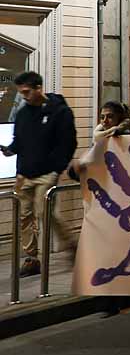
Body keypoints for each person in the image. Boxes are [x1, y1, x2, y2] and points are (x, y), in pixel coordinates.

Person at [2, 71, 76, 277]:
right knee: (24, 216)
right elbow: (21, 140)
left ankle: (71, 245)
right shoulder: (23, 113)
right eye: (21, 93)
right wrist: (10, 150)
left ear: (38, 88)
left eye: (27, 92)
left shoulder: (59, 112)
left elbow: (68, 143)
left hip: (47, 173)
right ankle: (32, 259)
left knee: (44, 213)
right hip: (25, 173)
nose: (24, 96)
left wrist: (56, 169)